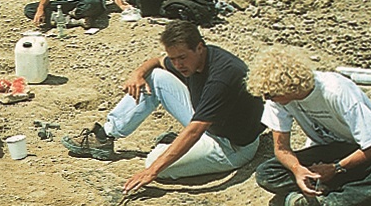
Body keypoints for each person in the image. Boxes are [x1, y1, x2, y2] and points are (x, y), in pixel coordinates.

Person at [62, 21, 264, 194]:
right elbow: (157, 61)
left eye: (182, 57)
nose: (177, 64)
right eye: (173, 58)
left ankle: (170, 147)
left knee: (155, 163)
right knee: (155, 76)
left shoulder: (223, 76)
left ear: (200, 48)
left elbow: (195, 130)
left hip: (231, 146)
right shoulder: (191, 59)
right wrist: (138, 73)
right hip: (209, 122)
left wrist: (152, 172)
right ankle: (105, 135)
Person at [246, 45, 371, 206]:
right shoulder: (279, 101)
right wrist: (298, 170)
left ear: (289, 88)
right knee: (267, 173)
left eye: (270, 95)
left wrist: (336, 168)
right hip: (328, 151)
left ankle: (329, 203)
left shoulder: (336, 91)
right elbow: (281, 148)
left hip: (361, 152)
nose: (267, 99)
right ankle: (367, 195)